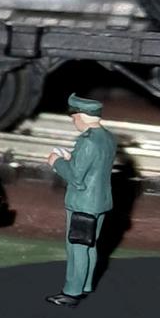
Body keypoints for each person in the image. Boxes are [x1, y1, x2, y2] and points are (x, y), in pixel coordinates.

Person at [45, 93, 118, 307]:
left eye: (74, 117)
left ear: (82, 117)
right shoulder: (107, 137)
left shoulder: (87, 141)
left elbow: (76, 177)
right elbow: (94, 164)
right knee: (90, 245)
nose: (73, 121)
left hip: (83, 203)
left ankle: (71, 292)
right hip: (100, 201)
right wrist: (72, 158)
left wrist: (56, 162)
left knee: (77, 247)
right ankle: (86, 285)